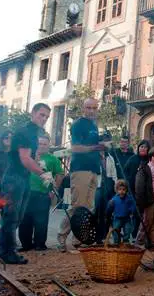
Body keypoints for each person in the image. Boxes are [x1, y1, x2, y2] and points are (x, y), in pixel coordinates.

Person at [0, 103, 53, 264]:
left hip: (22, 178)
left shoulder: (34, 133)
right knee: (12, 216)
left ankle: (4, 249)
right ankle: (7, 252)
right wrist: (43, 174)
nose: (44, 119)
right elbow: (24, 159)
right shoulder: (25, 132)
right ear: (33, 113)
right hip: (14, 178)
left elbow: (30, 156)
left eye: (47, 117)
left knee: (17, 216)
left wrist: (38, 163)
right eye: (41, 115)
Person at [57, 98, 104, 252]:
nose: (91, 111)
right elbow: (76, 148)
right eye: (89, 108)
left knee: (88, 208)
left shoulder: (94, 126)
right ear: (83, 108)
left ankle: (78, 239)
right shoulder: (78, 124)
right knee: (78, 206)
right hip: (80, 169)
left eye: (94, 108)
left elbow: (95, 148)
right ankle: (61, 237)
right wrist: (96, 147)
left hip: (93, 169)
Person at [19, 134, 64, 252]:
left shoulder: (53, 159)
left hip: (43, 193)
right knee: (25, 219)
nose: (42, 146)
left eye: (45, 144)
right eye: (40, 143)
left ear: (49, 145)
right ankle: (25, 244)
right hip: (26, 192)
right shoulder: (28, 156)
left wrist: (54, 190)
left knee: (41, 220)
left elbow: (59, 174)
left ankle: (40, 244)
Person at [135, 147, 154, 249]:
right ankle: (139, 242)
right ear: (150, 157)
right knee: (147, 220)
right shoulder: (146, 168)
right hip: (150, 197)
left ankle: (150, 243)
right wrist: (141, 200)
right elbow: (139, 185)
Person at [125, 140, 150, 239]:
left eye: (145, 147)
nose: (143, 149)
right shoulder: (132, 159)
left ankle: (142, 234)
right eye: (141, 147)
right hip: (133, 190)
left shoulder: (149, 161)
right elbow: (125, 173)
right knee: (136, 212)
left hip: (146, 191)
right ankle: (134, 232)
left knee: (145, 214)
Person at [106, 179, 137, 243]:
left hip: (127, 218)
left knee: (127, 230)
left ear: (126, 190)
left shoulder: (129, 198)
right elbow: (109, 208)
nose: (121, 191)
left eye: (123, 189)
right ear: (116, 190)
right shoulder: (114, 199)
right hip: (117, 218)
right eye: (119, 189)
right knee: (115, 230)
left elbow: (133, 206)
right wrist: (109, 208)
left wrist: (132, 210)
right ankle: (116, 242)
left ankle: (126, 241)